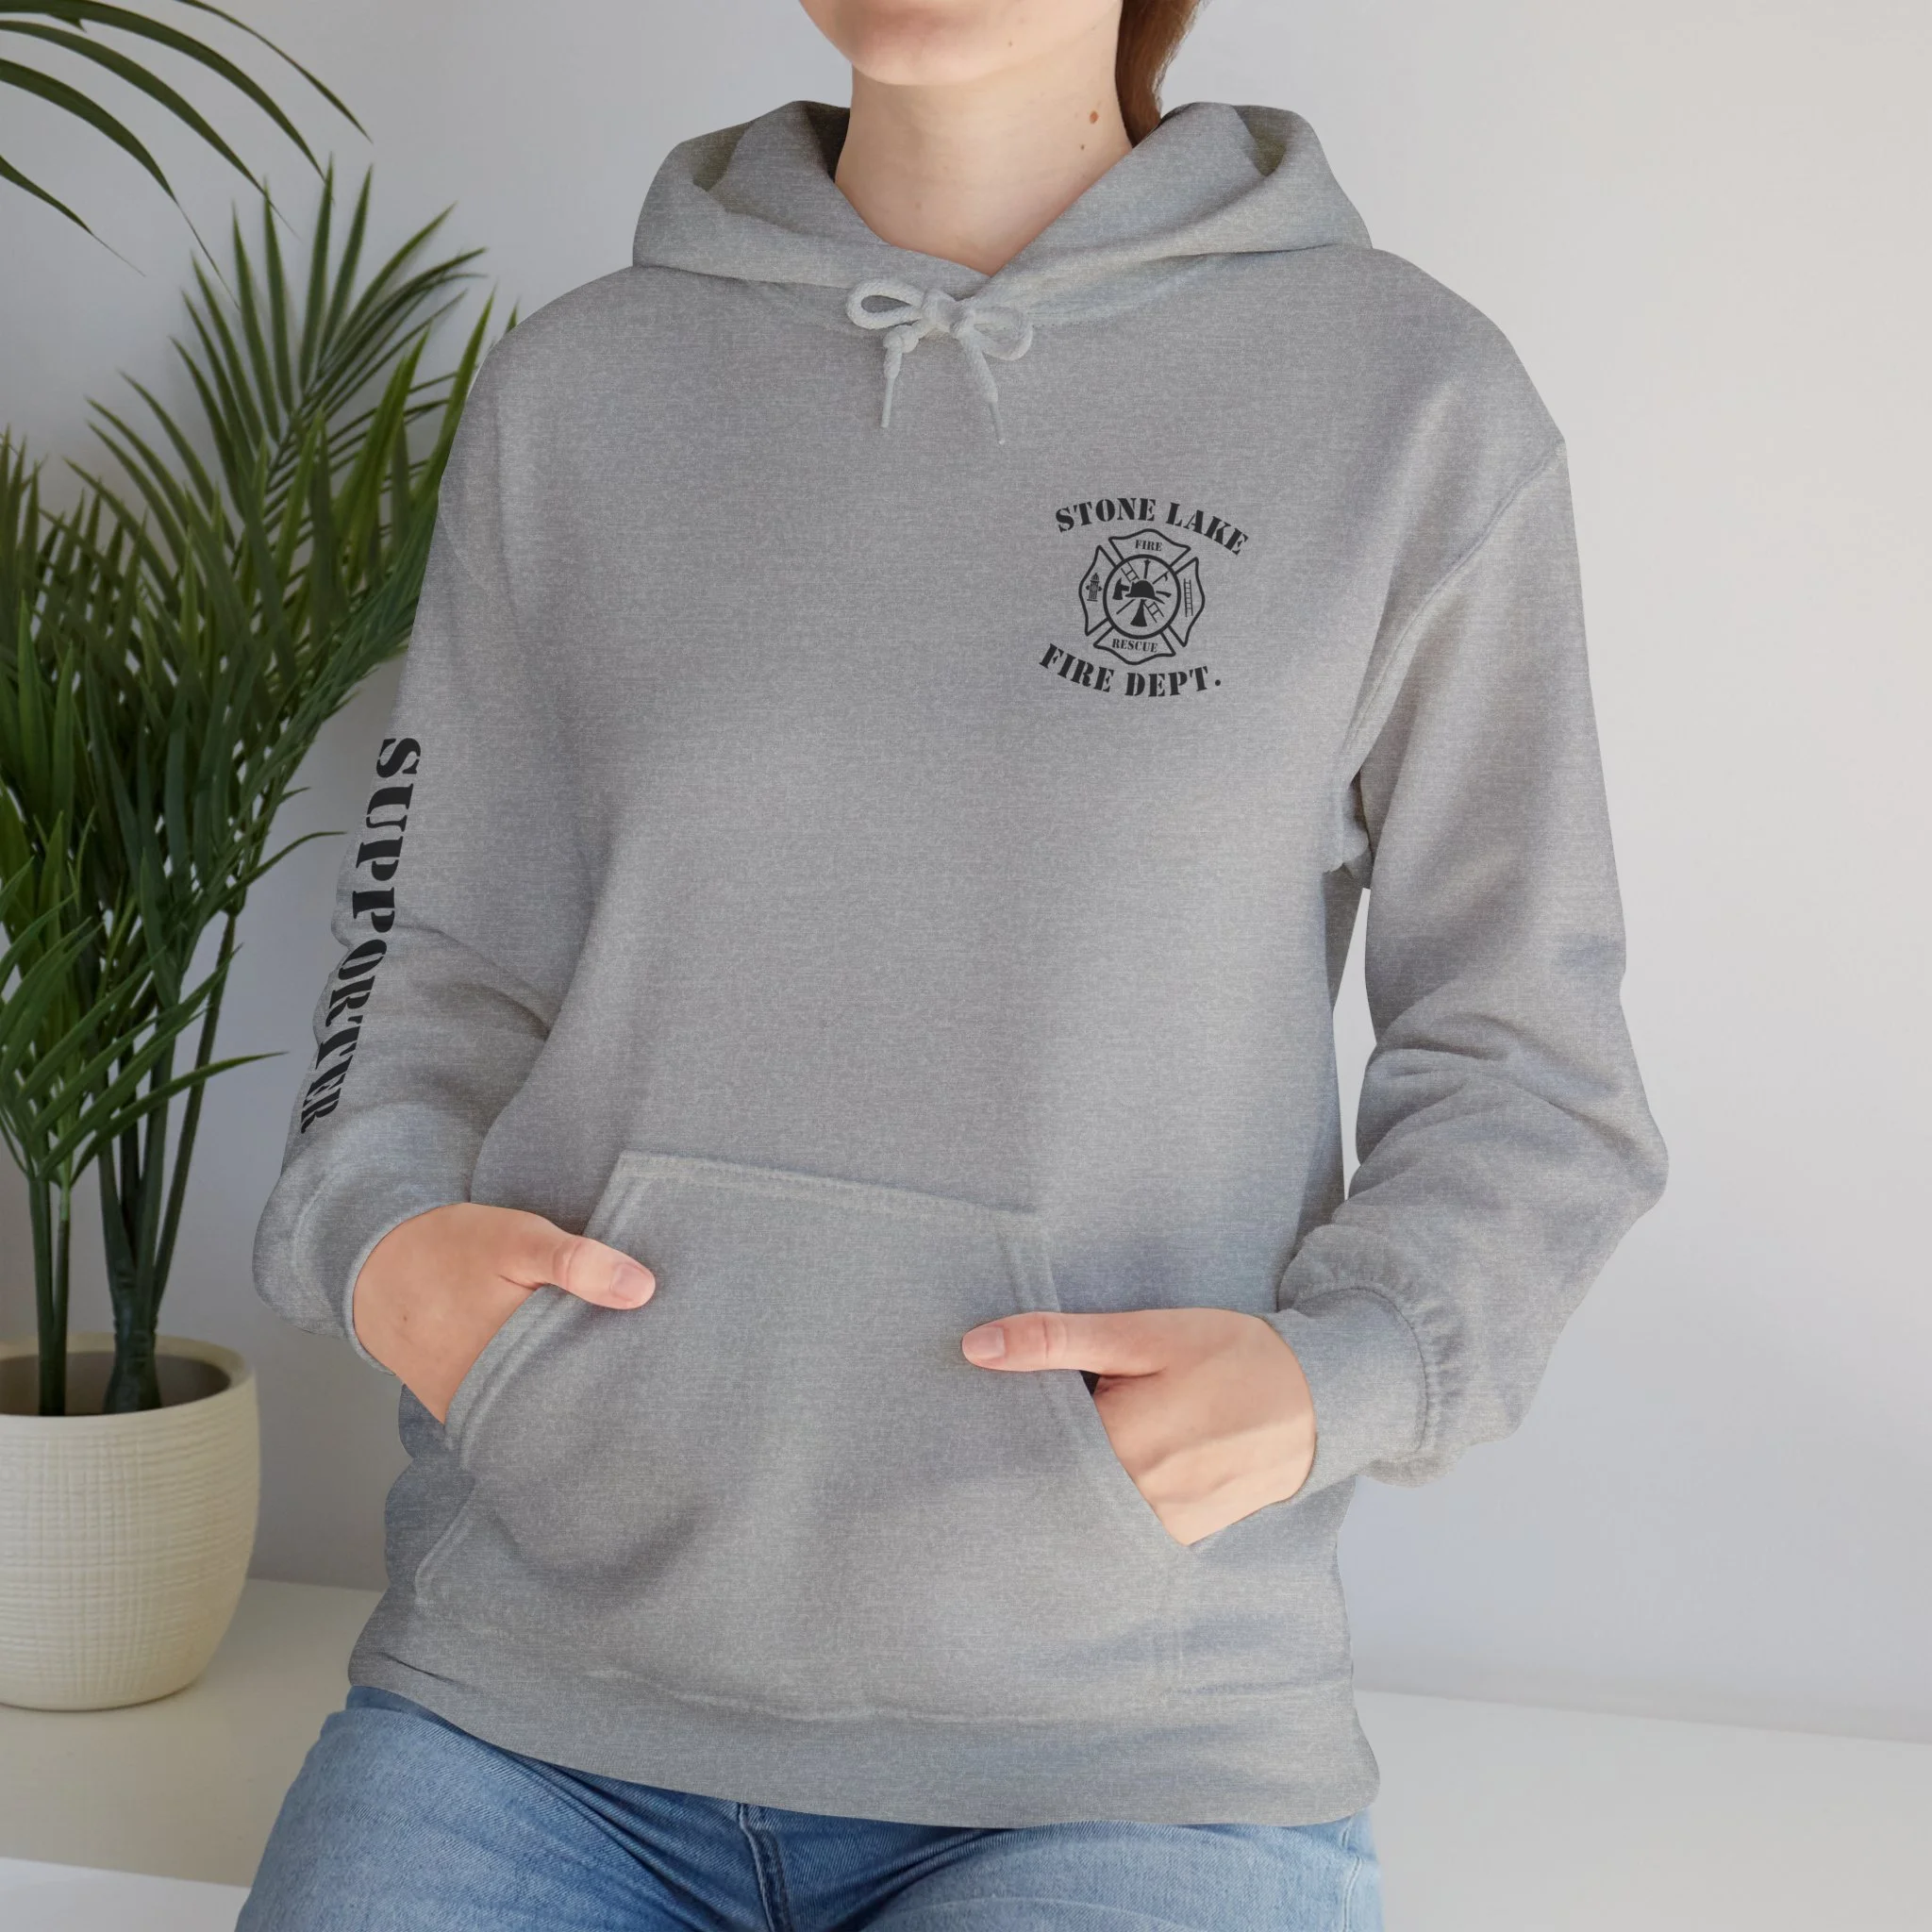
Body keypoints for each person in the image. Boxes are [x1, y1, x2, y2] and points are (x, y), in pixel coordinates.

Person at [241, 0, 1668, 1924]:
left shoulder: (1409, 405)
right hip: (531, 1704)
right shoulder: (583, 391)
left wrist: (1349, 1372)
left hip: (1127, 1750)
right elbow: (429, 949)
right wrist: (382, 1241)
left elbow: (1529, 1057)